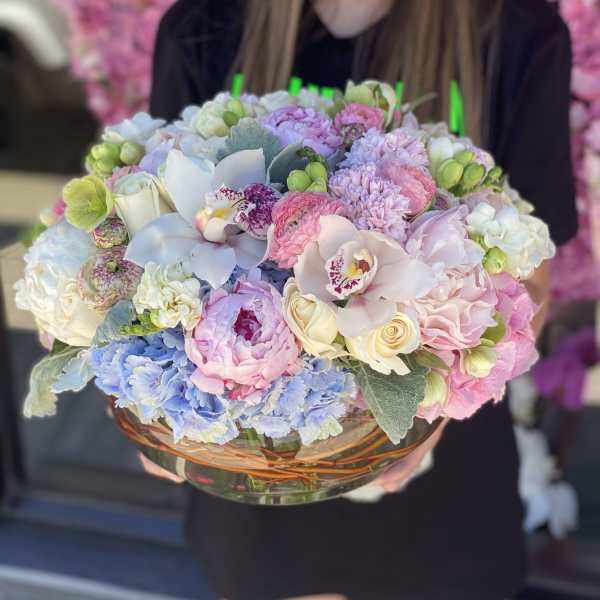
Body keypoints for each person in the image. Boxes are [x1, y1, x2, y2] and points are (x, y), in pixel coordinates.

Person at [145, 1, 578, 598]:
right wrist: (149, 405)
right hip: (260, 492)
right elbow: (152, 246)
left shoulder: (513, 31)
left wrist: (427, 408)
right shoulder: (204, 26)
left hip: (439, 496)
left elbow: (530, 284)